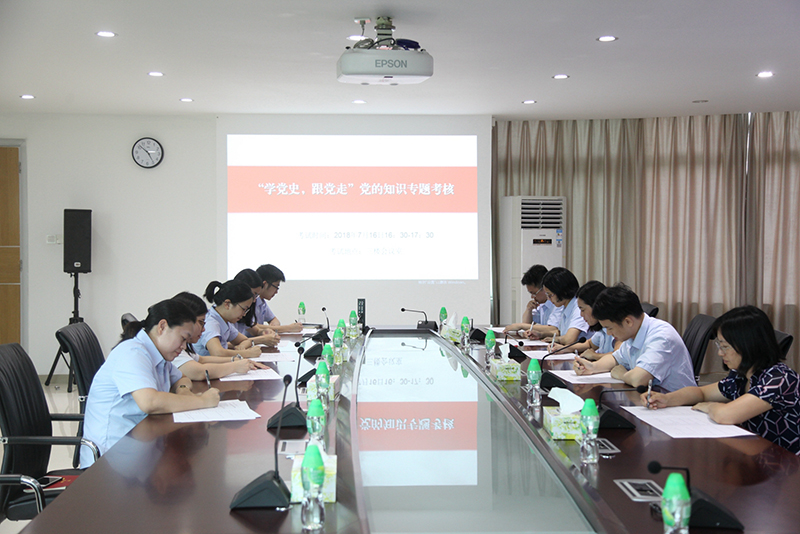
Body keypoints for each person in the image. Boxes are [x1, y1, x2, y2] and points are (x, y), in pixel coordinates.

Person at [81, 299, 220, 467]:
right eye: (183, 338)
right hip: (110, 460)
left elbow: (181, 377)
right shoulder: (132, 353)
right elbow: (150, 402)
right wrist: (202, 401)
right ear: (162, 327)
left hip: (138, 445)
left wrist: (183, 390)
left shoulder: (159, 354)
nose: (184, 347)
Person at [643, 306, 800, 455]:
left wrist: (710, 406)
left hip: (786, 464)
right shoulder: (741, 375)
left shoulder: (779, 379)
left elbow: (725, 415)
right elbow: (701, 393)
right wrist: (667, 399)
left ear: (748, 345)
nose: (720, 353)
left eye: (725, 346)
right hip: (756, 453)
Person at [573, 283, 695, 391]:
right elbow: (615, 358)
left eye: (610, 328)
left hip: (677, 404)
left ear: (628, 322)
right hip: (654, 399)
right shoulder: (632, 334)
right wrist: (592, 367)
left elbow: (638, 379)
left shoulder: (661, 337)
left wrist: (622, 375)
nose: (609, 333)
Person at [171, 291, 267, 380]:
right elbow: (199, 372)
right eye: (200, 322)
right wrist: (235, 366)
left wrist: (236, 359)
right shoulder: (172, 346)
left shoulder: (225, 321)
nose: (203, 329)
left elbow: (201, 359)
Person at [193, 280, 278, 359]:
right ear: (227, 304)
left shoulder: (224, 321)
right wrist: (246, 353)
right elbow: (217, 353)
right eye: (243, 309)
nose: (244, 314)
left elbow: (245, 340)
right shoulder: (211, 322)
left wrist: (242, 346)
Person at [550, 280, 618, 360]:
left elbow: (618, 355)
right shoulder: (602, 329)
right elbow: (589, 344)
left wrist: (594, 356)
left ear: (595, 306)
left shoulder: (616, 326)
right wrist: (564, 348)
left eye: (583, 310)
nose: (581, 315)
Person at [527, 267, 589, 345]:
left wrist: (555, 339)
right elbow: (560, 332)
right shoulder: (565, 306)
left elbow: (569, 339)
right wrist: (541, 334)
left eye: (550, 295)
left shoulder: (579, 308)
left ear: (561, 291)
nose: (549, 299)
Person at [504, 264, 563, 334]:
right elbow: (527, 324)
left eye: (534, 293)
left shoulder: (558, 304)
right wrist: (528, 309)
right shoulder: (542, 305)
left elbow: (553, 328)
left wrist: (521, 326)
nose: (532, 297)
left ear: (544, 288)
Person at [233, 268, 281, 343]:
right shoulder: (224, 316)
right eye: (254, 294)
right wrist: (262, 340)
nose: (254, 300)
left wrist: (264, 332)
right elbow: (225, 345)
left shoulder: (243, 310)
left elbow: (255, 330)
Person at [255, 264, 303, 333]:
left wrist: (274, 326)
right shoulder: (250, 301)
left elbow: (274, 320)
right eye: (276, 287)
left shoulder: (262, 302)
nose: (276, 292)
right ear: (265, 284)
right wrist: (288, 328)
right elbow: (253, 326)